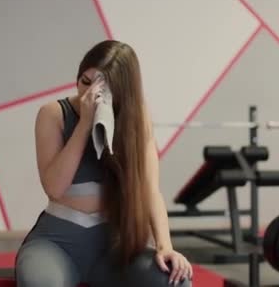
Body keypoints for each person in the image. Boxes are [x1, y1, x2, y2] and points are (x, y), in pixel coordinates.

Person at [16, 40, 193, 287]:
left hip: (115, 247)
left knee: (176, 281)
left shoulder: (137, 118)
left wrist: (166, 247)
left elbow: (150, 190)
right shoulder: (53, 114)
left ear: (122, 90)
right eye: (84, 82)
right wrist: (85, 123)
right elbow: (54, 188)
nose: (88, 94)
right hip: (57, 243)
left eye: (102, 88)